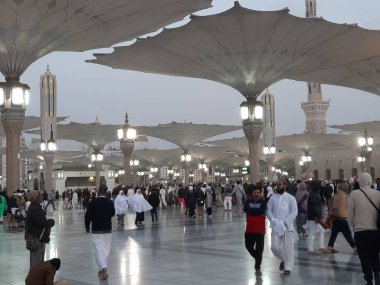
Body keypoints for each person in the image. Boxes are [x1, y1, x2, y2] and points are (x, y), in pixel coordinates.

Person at [348, 173, 380, 285]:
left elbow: (350, 215)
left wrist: (354, 225)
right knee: (375, 255)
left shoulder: (354, 194)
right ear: (370, 181)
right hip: (375, 231)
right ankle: (377, 276)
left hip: (360, 231)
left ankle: (369, 280)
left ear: (359, 181)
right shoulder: (378, 194)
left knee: (364, 257)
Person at [267, 179, 298, 275]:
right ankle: (283, 259)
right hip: (276, 225)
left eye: (280, 184)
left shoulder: (291, 198)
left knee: (288, 247)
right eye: (277, 185)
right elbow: (268, 210)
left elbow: (294, 211)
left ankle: (287, 267)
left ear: (285, 185)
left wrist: (286, 221)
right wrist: (273, 220)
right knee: (274, 247)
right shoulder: (272, 198)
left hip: (287, 226)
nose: (278, 186)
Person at [85, 185, 115, 280]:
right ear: (106, 192)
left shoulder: (93, 202)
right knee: (105, 250)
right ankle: (103, 268)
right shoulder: (110, 202)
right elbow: (112, 213)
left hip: (96, 229)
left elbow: (88, 216)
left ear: (98, 192)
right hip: (107, 229)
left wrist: (87, 226)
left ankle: (104, 268)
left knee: (98, 249)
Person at [26, 190, 55, 268]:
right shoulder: (35, 209)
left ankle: (36, 278)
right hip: (37, 239)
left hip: (38, 238)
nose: (42, 196)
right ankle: (35, 279)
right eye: (41, 195)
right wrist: (51, 222)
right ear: (36, 198)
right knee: (36, 263)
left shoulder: (35, 207)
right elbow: (43, 223)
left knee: (38, 261)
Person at [326, 182, 356, 253]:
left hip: (335, 218)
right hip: (342, 218)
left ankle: (330, 246)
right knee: (347, 234)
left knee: (334, 233)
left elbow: (330, 204)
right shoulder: (344, 196)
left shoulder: (336, 195)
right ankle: (355, 248)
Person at [244, 184, 267, 276]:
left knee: (259, 250)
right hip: (249, 229)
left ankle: (257, 267)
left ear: (261, 193)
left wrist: (252, 211)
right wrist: (255, 212)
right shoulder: (248, 201)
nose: (256, 194)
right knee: (248, 247)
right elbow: (246, 209)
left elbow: (261, 210)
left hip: (260, 231)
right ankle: (258, 258)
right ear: (252, 193)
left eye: (258, 192)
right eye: (254, 192)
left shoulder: (263, 202)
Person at [303, 180, 328, 255]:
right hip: (314, 217)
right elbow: (314, 207)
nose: (321, 186)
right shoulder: (313, 194)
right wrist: (318, 217)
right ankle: (310, 250)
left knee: (321, 231)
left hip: (314, 216)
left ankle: (321, 247)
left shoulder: (314, 192)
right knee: (312, 233)